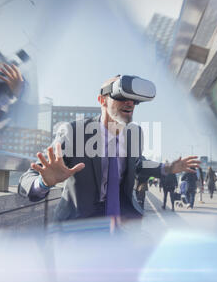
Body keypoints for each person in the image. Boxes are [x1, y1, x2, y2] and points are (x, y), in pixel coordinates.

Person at [18, 75, 200, 230]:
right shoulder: (74, 131)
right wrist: (43, 182)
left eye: (134, 100)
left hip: (122, 222)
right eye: (121, 97)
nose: (130, 103)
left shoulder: (135, 133)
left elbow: (137, 164)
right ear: (102, 100)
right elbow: (28, 178)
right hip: (77, 226)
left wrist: (167, 168)